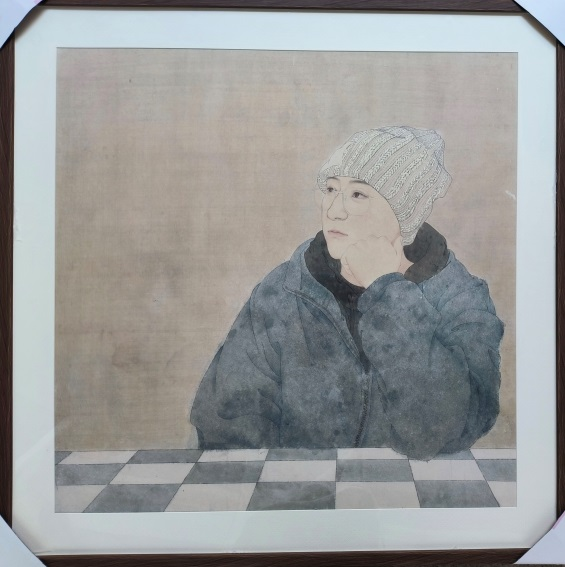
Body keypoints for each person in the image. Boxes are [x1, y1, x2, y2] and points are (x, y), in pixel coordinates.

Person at [190, 126, 504, 460]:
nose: (333, 210)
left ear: (405, 213)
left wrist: (386, 290)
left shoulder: (459, 297)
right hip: (301, 488)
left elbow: (447, 429)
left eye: (358, 194)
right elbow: (226, 422)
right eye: (330, 189)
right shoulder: (284, 289)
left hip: (418, 490)